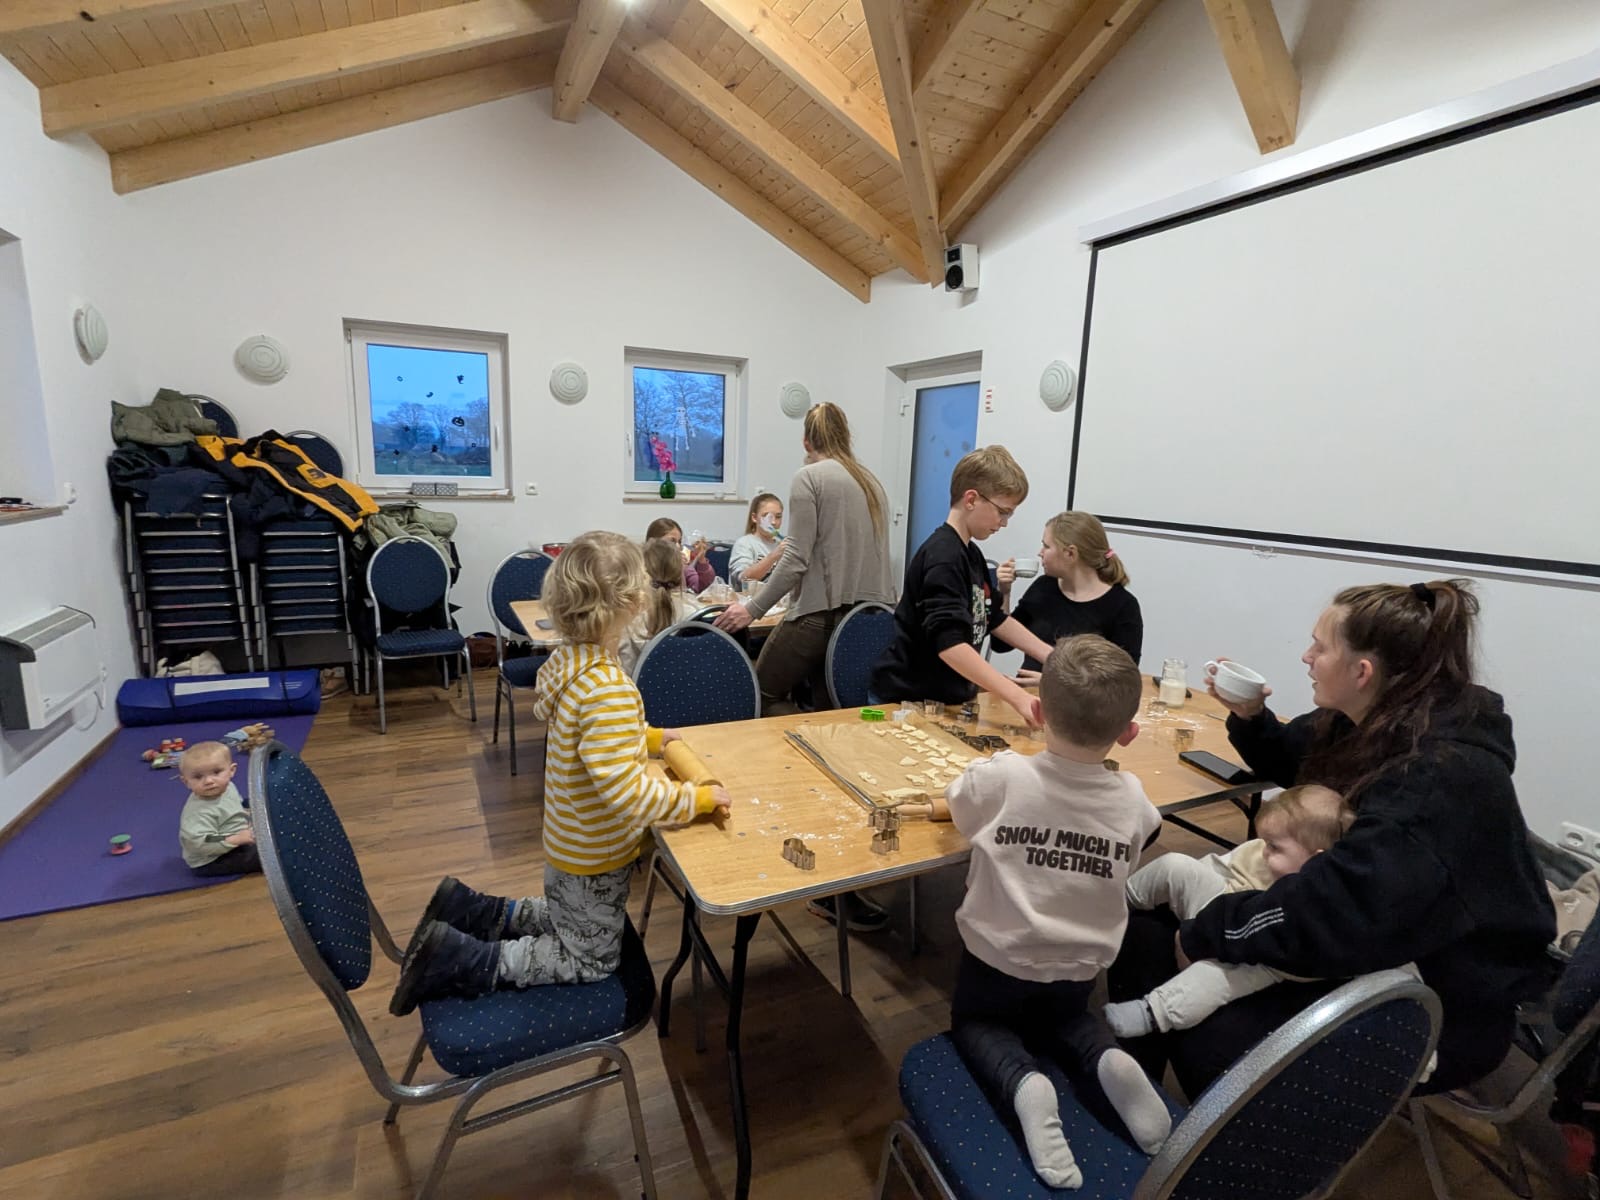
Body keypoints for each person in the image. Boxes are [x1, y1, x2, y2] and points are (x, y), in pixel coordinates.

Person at [1109, 579, 1556, 1096]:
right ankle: (1130, 1093)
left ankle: (1226, 1136)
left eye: (1319, 648)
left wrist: (1209, 931)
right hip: (1369, 937)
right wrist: (1251, 719)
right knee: (1147, 933)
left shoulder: (1435, 780)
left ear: (1362, 672)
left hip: (1438, 997)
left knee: (1213, 1038)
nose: (1306, 657)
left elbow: (1329, 914)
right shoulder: (1372, 718)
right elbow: (1295, 763)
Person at [390, 532, 732, 1015]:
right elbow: (630, 795)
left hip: (569, 847)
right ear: (634, 602)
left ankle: (475, 910)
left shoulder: (571, 665)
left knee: (568, 914)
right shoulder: (609, 687)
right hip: (596, 856)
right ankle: (460, 958)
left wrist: (651, 738)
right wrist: (696, 799)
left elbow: (591, 737)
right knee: (590, 957)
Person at [931, 635, 1169, 1188]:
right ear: (1128, 734)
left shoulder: (1005, 776)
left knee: (978, 1024)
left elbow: (959, 803)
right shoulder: (1132, 797)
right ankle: (1109, 1060)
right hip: (1081, 967)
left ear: (1037, 713)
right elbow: (1148, 832)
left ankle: (1024, 1084)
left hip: (999, 960)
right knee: (1069, 1021)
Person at [1103, 785, 1351, 1037]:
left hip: (1263, 957)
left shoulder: (1319, 911)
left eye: (1274, 847)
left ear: (1316, 860)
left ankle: (1151, 1013)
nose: (1264, 851)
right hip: (1226, 913)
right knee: (1175, 865)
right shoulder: (1261, 853)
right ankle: (1110, 906)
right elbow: (1217, 868)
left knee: (1218, 977)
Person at [714, 402, 894, 717]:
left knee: (760, 695)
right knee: (831, 710)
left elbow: (796, 557)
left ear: (806, 441)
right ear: (845, 435)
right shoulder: (871, 482)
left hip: (819, 616)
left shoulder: (809, 477)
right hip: (866, 620)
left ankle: (803, 740)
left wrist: (753, 609)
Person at [869, 446, 1053, 729]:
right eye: (1002, 512)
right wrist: (1017, 697)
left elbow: (992, 617)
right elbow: (950, 645)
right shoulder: (943, 556)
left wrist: (1051, 657)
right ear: (971, 499)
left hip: (946, 699)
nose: (1004, 523)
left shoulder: (971, 554)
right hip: (909, 700)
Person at [992, 511, 1143, 675]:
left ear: (1070, 553)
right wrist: (1004, 592)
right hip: (1026, 690)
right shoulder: (1043, 587)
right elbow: (1000, 645)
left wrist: (1051, 683)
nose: (1040, 552)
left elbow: (1124, 678)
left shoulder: (1123, 606)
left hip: (1073, 693)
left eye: (1046, 546)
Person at [618, 537, 701, 674]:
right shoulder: (694, 615)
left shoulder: (625, 619)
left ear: (640, 574)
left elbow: (623, 668)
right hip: (684, 682)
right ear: (680, 574)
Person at [177, 741, 260, 876]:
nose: (209, 781)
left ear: (231, 771)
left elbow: (236, 804)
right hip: (212, 859)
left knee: (260, 806)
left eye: (216, 772)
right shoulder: (198, 813)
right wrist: (236, 838)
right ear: (186, 782)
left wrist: (248, 813)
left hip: (234, 834)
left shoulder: (227, 787)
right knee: (267, 855)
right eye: (198, 777)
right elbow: (203, 841)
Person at [728, 492, 787, 592]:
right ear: (754, 518)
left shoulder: (782, 545)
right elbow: (744, 579)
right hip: (748, 599)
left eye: (778, 517)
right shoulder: (744, 543)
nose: (773, 522)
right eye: (766, 516)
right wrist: (774, 556)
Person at [646, 516, 713, 594]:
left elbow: (700, 587)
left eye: (679, 542)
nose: (678, 546)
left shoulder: (683, 565)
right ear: (654, 541)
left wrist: (701, 559)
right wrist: (673, 569)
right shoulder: (641, 565)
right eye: (672, 541)